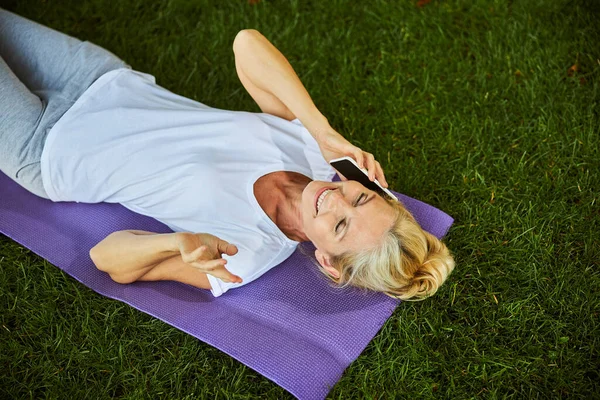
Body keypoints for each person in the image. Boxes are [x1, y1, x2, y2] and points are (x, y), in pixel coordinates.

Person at [0, 9, 454, 300]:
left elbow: (105, 259)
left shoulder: (243, 256)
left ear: (327, 262)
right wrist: (320, 128)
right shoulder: (312, 152)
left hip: (46, 149)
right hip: (101, 80)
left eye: (338, 226)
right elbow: (246, 43)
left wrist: (173, 244)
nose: (334, 199)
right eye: (360, 199)